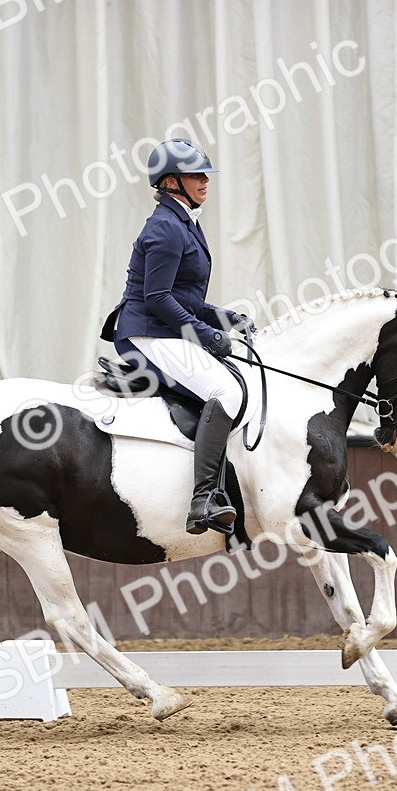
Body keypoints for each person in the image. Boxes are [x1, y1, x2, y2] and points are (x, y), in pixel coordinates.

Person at [100, 138, 253, 536]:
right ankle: (203, 499)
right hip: (146, 334)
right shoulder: (166, 227)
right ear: (171, 182)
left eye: (205, 174)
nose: (205, 181)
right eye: (195, 175)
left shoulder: (184, 221)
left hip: (164, 329)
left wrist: (227, 319)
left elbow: (185, 297)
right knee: (227, 392)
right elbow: (158, 298)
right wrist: (205, 336)